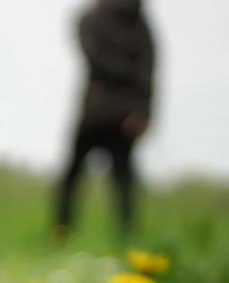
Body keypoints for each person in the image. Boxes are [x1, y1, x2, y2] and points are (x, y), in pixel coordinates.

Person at [54, 0, 155, 241]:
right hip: (126, 114)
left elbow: (94, 57)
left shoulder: (92, 18)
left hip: (96, 111)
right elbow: (148, 71)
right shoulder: (140, 25)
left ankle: (61, 232)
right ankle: (126, 236)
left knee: (77, 175)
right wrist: (143, 110)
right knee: (121, 179)